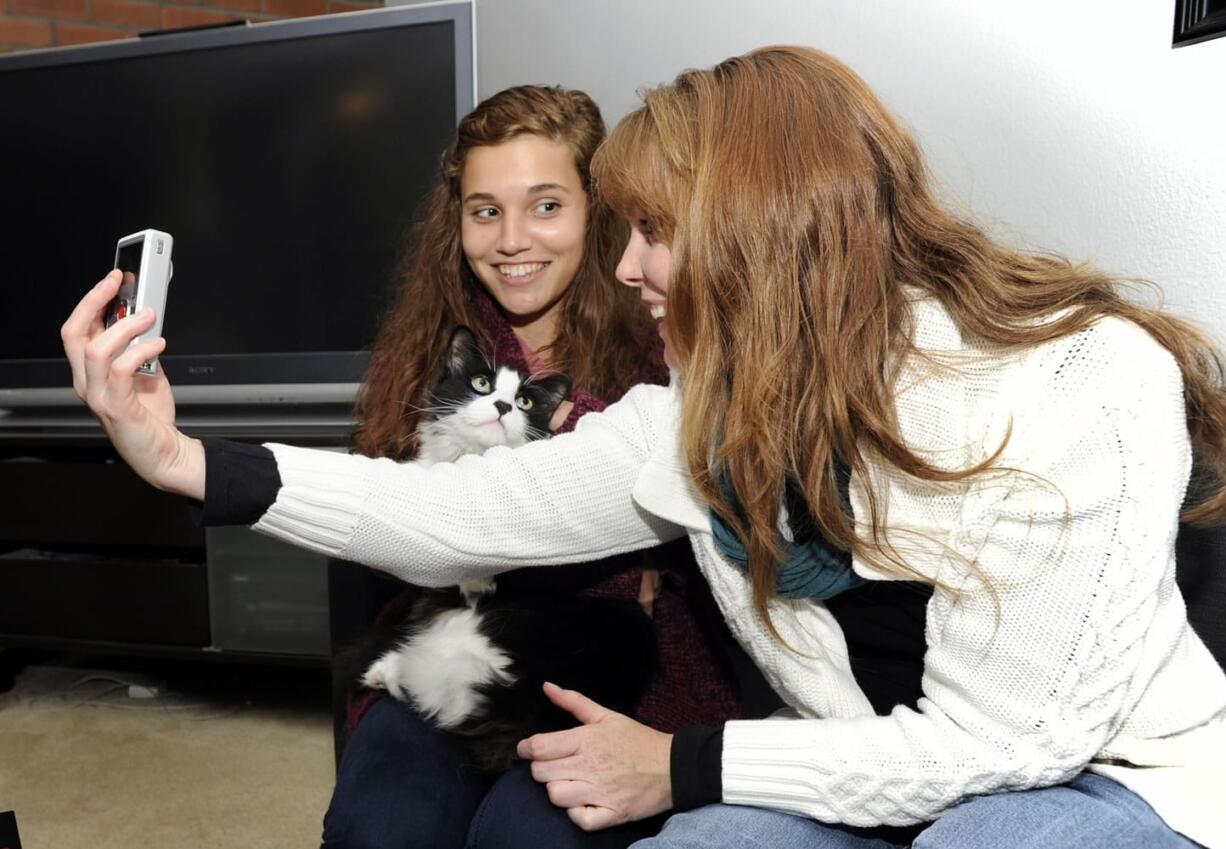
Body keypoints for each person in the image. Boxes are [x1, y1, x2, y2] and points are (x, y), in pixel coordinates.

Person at [62, 47, 1226, 849]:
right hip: (844, 766)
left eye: (655, 232)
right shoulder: (700, 407)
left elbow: (1001, 745)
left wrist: (683, 768)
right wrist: (187, 461)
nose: (625, 269)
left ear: (761, 236)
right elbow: (466, 514)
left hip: (1087, 781)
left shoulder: (1076, 383)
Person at [69, 84, 751, 849]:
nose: (512, 238)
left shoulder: (668, 338)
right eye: (486, 210)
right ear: (457, 220)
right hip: (445, 648)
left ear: (597, 213)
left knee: (526, 835)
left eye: (547, 205)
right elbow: (409, 526)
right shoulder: (429, 347)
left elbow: (684, 550)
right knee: (381, 824)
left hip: (623, 681)